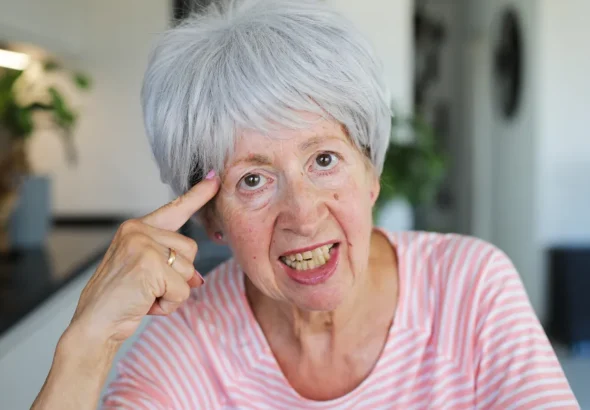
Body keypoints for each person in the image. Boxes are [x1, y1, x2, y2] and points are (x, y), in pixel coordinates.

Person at [32, 0, 579, 408]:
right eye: (252, 180)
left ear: (371, 173)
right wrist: (86, 345)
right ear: (211, 217)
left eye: (323, 160)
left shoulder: (472, 286)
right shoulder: (190, 340)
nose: (303, 215)